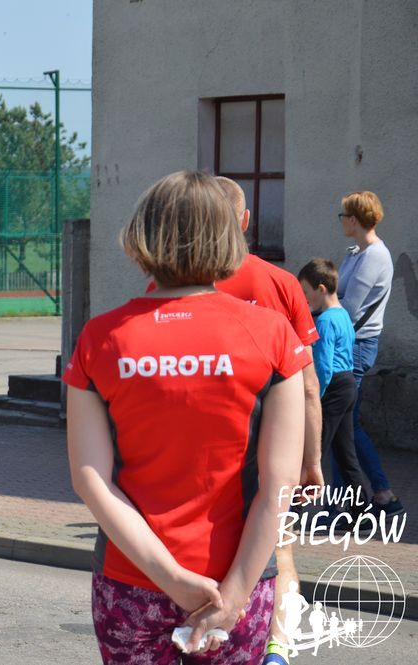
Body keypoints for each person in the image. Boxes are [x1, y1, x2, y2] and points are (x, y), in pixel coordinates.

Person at [64, 171, 307, 663]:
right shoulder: (272, 334)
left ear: (142, 234)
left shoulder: (101, 337)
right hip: (238, 578)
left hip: (131, 580)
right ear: (229, 235)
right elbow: (280, 485)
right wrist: (235, 593)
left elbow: (91, 479)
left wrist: (171, 578)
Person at [207, 178, 323, 665]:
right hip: (272, 445)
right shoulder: (280, 283)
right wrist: (311, 461)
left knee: (210, 550)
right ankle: (276, 648)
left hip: (209, 449)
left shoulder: (175, 285)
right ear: (245, 220)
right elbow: (309, 386)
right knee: (281, 551)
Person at [335, 191, 401, 516]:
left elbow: (348, 308)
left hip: (357, 345)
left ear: (354, 220)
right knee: (344, 424)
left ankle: (354, 502)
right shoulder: (356, 253)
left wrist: (314, 311)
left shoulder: (374, 256)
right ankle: (379, 494)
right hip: (350, 343)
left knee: (343, 423)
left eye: (343, 215)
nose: (340, 221)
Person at [297, 259, 370, 509]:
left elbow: (324, 366)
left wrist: (315, 398)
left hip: (332, 387)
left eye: (306, 292)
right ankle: (361, 511)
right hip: (347, 384)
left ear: (321, 289)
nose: (304, 299)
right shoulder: (343, 315)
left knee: (312, 450)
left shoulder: (325, 321)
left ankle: (292, 511)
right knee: (345, 454)